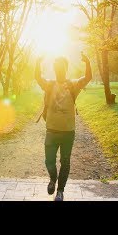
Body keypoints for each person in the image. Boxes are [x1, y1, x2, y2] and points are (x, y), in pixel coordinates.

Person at [35, 52, 92, 201]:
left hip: (68, 132)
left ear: (66, 69)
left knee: (65, 162)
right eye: (57, 67)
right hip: (51, 131)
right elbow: (38, 78)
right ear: (54, 69)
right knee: (49, 161)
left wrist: (88, 64)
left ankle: (60, 191)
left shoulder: (73, 84)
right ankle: (53, 179)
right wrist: (37, 64)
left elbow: (87, 78)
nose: (59, 70)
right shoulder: (50, 84)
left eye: (62, 67)